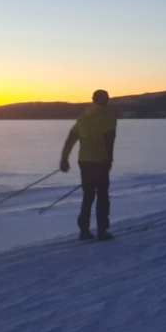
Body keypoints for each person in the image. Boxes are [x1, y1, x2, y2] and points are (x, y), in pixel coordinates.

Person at [60, 89, 117, 241]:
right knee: (102, 196)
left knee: (88, 196)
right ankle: (102, 230)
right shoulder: (108, 117)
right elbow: (109, 140)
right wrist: (109, 160)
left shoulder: (83, 117)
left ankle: (84, 230)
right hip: (100, 161)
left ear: (93, 99)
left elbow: (71, 138)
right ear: (106, 100)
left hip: (84, 161)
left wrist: (64, 158)